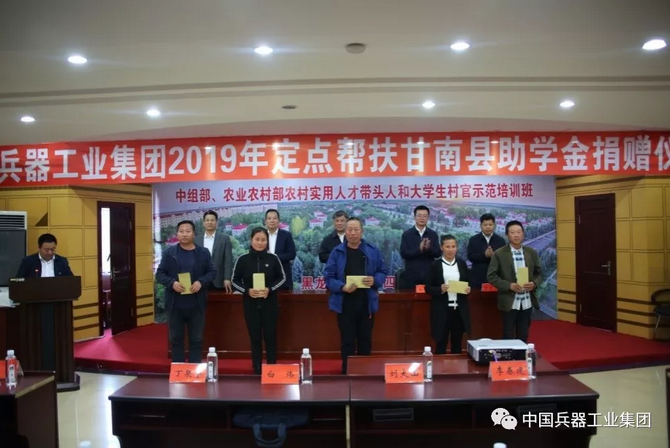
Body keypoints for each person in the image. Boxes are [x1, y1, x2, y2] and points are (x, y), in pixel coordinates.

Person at [324, 217, 389, 374]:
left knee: (365, 340)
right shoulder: (337, 252)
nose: (352, 233)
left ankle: (364, 372)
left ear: (362, 231)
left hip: (366, 303)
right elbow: (328, 277)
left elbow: (383, 271)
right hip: (345, 303)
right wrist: (342, 286)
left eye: (356, 229)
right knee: (347, 340)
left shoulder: (372, 250)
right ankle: (347, 372)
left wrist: (375, 280)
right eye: (349, 230)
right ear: (345, 232)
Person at [156, 220, 216, 363]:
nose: (184, 234)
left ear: (194, 234)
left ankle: (195, 370)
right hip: (175, 305)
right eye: (181, 231)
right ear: (177, 234)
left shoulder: (203, 252)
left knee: (196, 339)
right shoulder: (169, 253)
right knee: (176, 339)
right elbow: (160, 274)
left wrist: (201, 282)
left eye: (188, 231)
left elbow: (212, 272)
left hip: (196, 304)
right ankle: (179, 369)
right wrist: (172, 283)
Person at [232, 227, 286, 374]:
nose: (260, 243)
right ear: (251, 240)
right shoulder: (243, 259)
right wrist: (247, 290)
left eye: (263, 240)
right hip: (250, 304)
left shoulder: (273, 258)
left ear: (267, 241)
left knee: (270, 337)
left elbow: (282, 278)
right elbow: (234, 281)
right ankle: (256, 368)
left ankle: (272, 368)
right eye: (257, 239)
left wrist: (270, 289)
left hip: (270, 304)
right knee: (255, 338)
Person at [487, 221, 542, 343]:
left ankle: (521, 354)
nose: (516, 235)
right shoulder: (500, 254)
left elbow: (539, 273)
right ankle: (509, 355)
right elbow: (491, 276)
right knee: (508, 334)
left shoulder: (531, 252)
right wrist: (509, 285)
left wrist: (534, 283)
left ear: (523, 234)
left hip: (527, 301)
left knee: (523, 334)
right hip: (509, 301)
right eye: (512, 232)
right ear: (507, 235)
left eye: (519, 232)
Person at [426, 235, 472, 354]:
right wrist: (440, 289)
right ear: (442, 247)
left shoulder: (461, 263)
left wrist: (468, 289)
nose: (451, 250)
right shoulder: (435, 265)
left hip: (459, 309)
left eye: (453, 246)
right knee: (441, 342)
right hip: (442, 309)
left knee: (457, 342)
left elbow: (468, 282)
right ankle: (439, 365)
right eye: (447, 247)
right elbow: (428, 288)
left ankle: (456, 365)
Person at [399, 205, 440, 290]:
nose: (422, 218)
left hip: (429, 275)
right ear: (414, 217)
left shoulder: (433, 234)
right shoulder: (407, 234)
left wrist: (428, 249)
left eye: (425, 216)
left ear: (428, 218)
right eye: (419, 216)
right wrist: (419, 249)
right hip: (411, 276)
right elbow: (404, 254)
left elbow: (438, 253)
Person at [195, 210, 233, 293]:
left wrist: (227, 278)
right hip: (201, 281)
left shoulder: (224, 238)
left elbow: (228, 261)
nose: (210, 222)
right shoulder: (196, 239)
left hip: (219, 281)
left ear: (216, 222)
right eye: (207, 220)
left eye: (212, 220)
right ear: (203, 223)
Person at [467, 213, 506, 288]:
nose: (488, 227)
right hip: (478, 278)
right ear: (480, 226)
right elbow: (470, 257)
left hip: (496, 278)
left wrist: (494, 256)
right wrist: (484, 255)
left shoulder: (501, 241)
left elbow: (504, 259)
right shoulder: (474, 240)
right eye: (485, 225)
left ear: (494, 225)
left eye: (490, 225)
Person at [265, 209, 296, 290]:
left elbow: (292, 254)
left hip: (283, 277)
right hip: (265, 277)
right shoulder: (261, 235)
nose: (272, 221)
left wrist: (274, 257)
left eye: (274, 218)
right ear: (265, 221)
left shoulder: (286, 235)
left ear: (278, 221)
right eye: (269, 218)